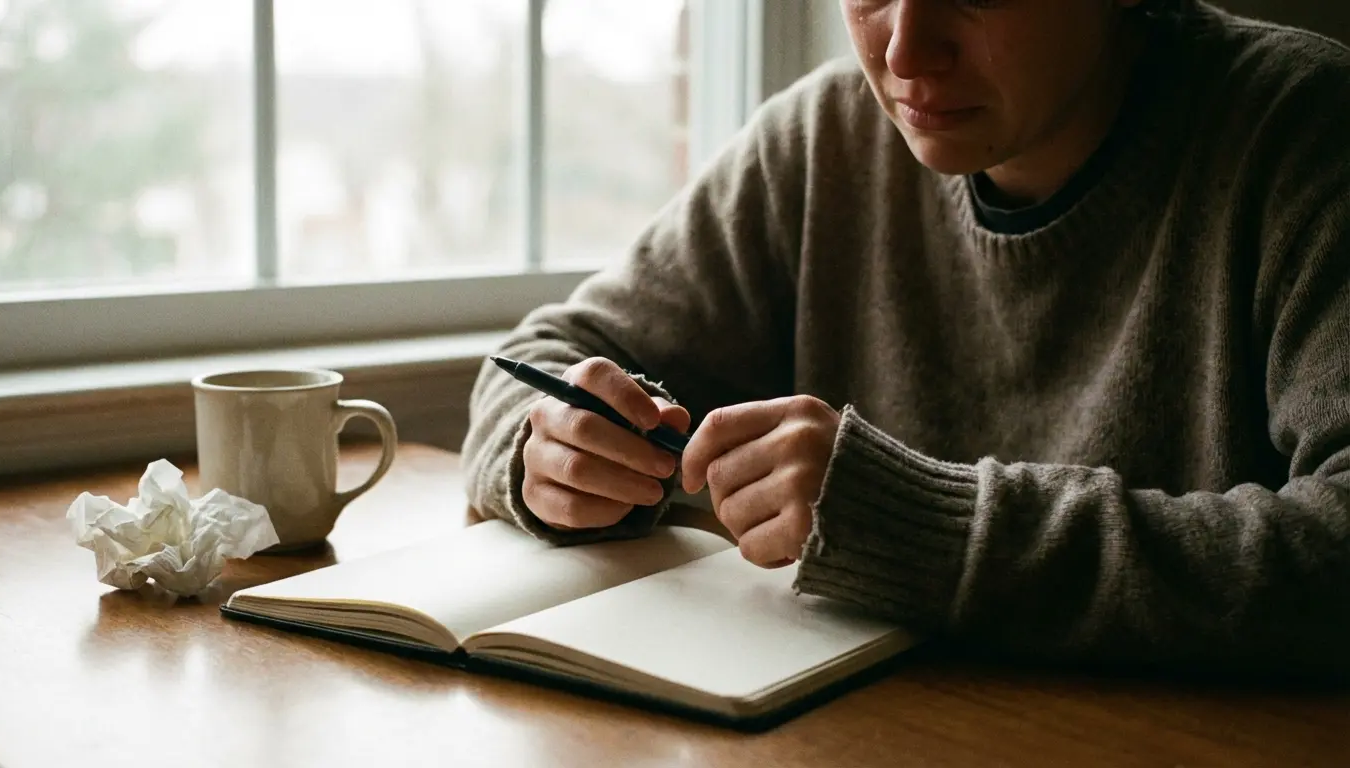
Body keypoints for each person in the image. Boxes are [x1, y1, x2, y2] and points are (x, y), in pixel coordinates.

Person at [461, 0, 1350, 678]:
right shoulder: (822, 139)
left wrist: (921, 529)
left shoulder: (1305, 132)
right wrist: (551, 449)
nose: (904, 53)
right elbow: (550, 354)